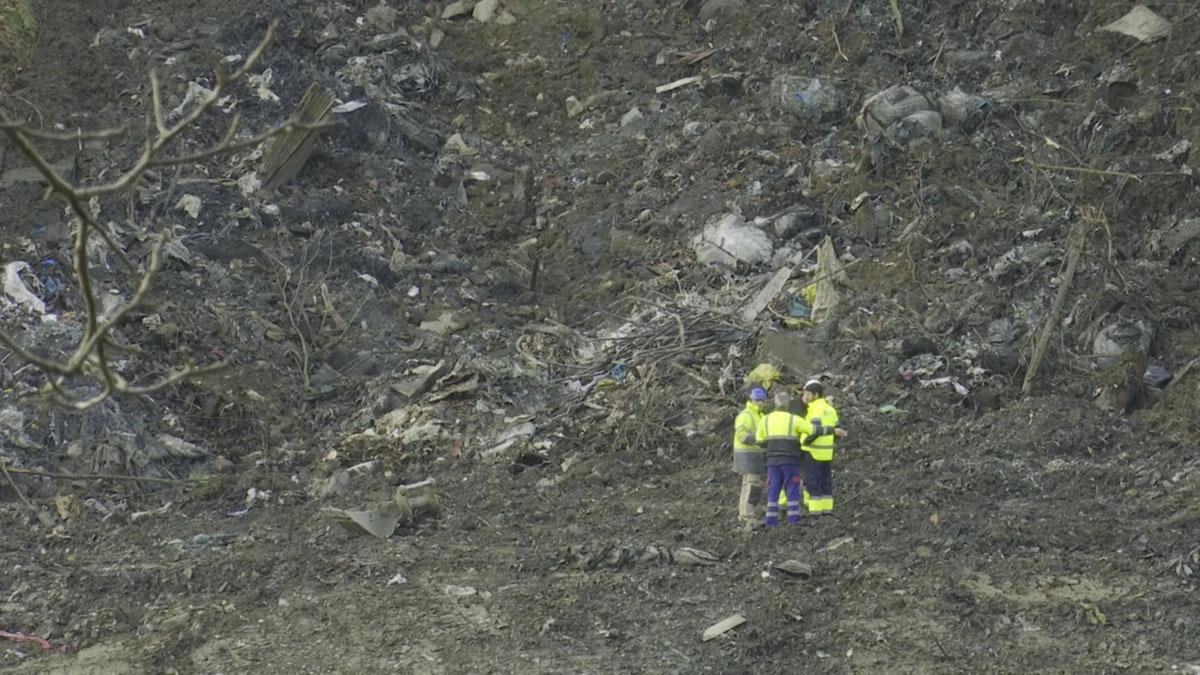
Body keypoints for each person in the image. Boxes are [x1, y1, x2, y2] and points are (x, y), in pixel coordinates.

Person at [755, 390, 815, 526]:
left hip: (772, 462)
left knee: (773, 490)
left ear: (775, 403)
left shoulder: (765, 419)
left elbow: (759, 440)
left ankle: (771, 522)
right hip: (791, 461)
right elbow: (812, 430)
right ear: (788, 404)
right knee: (792, 490)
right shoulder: (795, 419)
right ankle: (793, 521)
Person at [800, 379, 847, 515]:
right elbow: (837, 431)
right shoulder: (830, 409)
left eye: (808, 394)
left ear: (816, 395)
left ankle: (815, 512)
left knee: (812, 482)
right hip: (827, 452)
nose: (805, 397)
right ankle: (827, 510)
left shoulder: (815, 409)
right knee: (826, 482)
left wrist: (804, 442)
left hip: (812, 451)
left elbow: (814, 430)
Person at [732, 386, 768, 525]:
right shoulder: (746, 415)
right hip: (747, 455)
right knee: (752, 484)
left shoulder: (761, 416)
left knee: (751, 484)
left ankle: (746, 513)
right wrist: (757, 441)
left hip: (754, 455)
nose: (760, 403)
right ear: (752, 400)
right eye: (758, 401)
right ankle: (747, 516)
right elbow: (741, 434)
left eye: (762, 401)